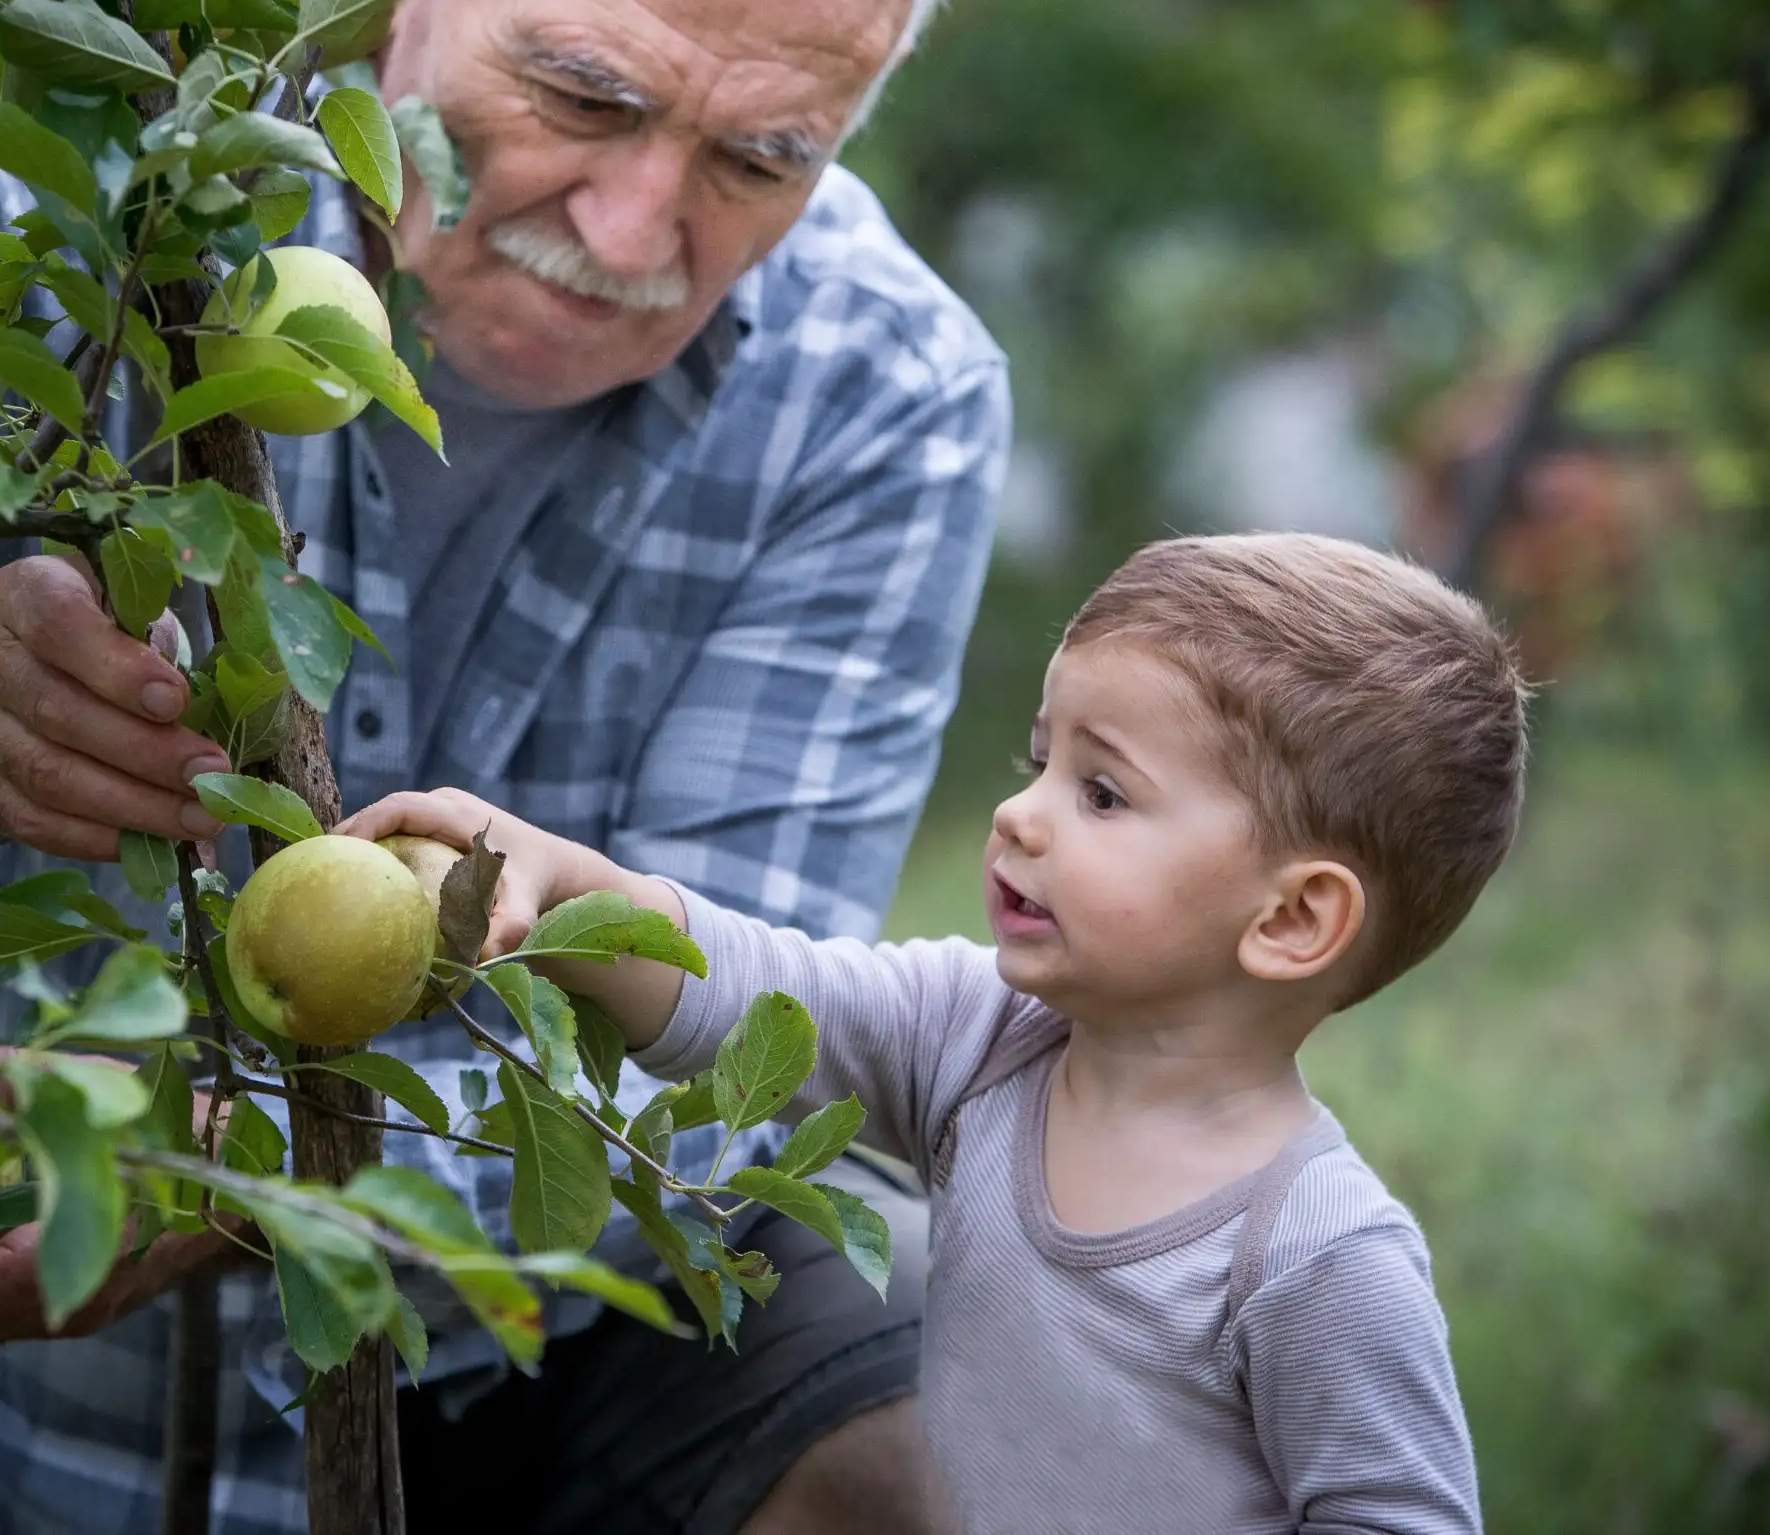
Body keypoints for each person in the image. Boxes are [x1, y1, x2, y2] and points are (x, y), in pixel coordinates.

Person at [0, 0, 1013, 1530]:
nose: (637, 224)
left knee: (959, 1398)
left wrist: (244, 1153)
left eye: (766, 157)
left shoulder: (887, 385)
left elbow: (728, 1060)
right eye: (583, 91)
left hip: (514, 1384)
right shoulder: (78, 157)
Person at [342, 532, 1528, 1535]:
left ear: (1291, 918)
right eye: (1038, 760)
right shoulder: (988, 1039)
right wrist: (555, 883)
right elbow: (754, 991)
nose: (1019, 813)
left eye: (1101, 793)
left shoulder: (1315, 1258)